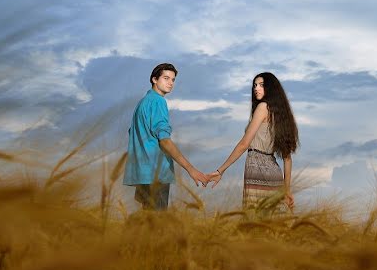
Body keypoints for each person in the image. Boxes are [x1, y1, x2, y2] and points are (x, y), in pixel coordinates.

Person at [123, 63, 209, 210]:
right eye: (166, 78)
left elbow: (132, 132)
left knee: (147, 224)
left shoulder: (142, 103)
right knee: (158, 226)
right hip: (156, 172)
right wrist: (191, 169)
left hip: (143, 172)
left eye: (173, 80)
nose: (170, 83)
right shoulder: (158, 101)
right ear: (154, 79)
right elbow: (164, 140)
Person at [209, 72, 299, 210]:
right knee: (273, 224)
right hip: (274, 172)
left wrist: (221, 170)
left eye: (261, 85)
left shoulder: (263, 107)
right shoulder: (281, 115)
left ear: (271, 88)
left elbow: (244, 144)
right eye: (255, 85)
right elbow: (287, 158)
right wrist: (286, 189)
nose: (256, 88)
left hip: (257, 168)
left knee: (254, 221)